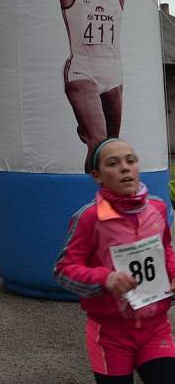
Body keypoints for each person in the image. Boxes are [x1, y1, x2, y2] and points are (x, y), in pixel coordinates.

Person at [9, 0, 152, 164]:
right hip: (81, 70)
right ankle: (91, 189)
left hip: (113, 71)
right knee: (99, 143)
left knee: (111, 148)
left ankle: (104, 191)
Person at [54, 138, 175, 384]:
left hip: (156, 327)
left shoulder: (158, 208)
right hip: (110, 334)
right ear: (97, 176)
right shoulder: (89, 217)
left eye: (131, 161)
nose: (125, 167)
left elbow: (165, 251)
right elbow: (63, 270)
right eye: (113, 163)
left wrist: (173, 274)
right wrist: (106, 278)